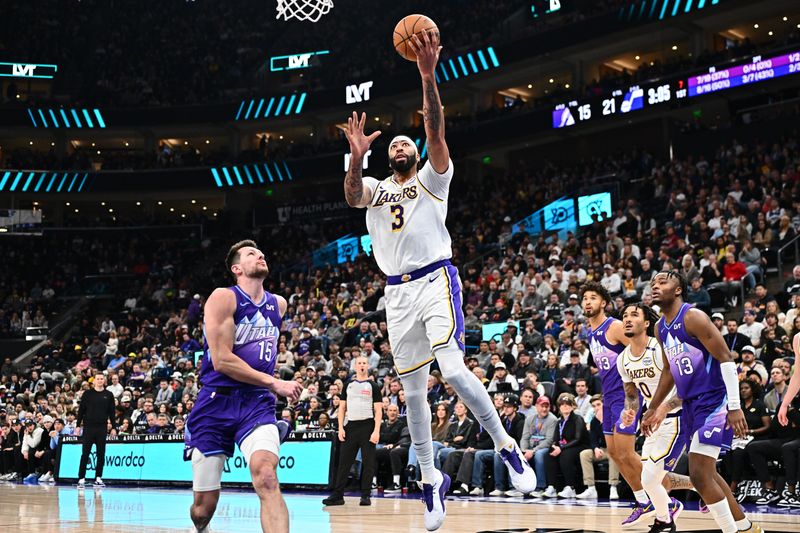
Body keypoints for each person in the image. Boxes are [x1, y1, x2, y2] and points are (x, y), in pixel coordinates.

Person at [341, 28, 534, 531]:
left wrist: (428, 77)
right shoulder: (375, 187)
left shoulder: (432, 178)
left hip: (435, 279)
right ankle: (431, 480)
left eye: (409, 142)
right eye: (396, 144)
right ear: (388, 157)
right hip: (396, 294)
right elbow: (349, 194)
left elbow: (436, 132)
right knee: (412, 394)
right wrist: (356, 155)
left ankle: (505, 445)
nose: (404, 146)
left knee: (449, 370)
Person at [183, 240, 302, 533]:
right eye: (251, 254)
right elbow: (223, 360)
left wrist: (270, 385)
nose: (260, 255)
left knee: (266, 475)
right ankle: (201, 527)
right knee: (202, 510)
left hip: (256, 402)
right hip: (216, 401)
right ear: (236, 268)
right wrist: (275, 382)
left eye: (261, 252)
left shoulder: (279, 304)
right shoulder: (223, 298)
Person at [644, 271, 761, 533]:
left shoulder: (693, 317)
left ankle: (731, 531)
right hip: (690, 405)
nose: (655, 285)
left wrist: (734, 406)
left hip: (714, 401)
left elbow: (727, 359)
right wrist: (653, 407)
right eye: (653, 282)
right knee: (709, 474)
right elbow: (667, 371)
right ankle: (746, 527)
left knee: (698, 475)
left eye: (662, 281)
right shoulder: (659, 327)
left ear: (678, 290)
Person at [617, 303, 694, 532]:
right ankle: (668, 513)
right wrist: (629, 410)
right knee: (649, 477)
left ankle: (666, 513)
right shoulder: (623, 359)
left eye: (634, 315)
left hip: (677, 418)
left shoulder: (660, 349)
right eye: (624, 316)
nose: (628, 319)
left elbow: (686, 388)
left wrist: (663, 408)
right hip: (652, 423)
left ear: (647, 323)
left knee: (650, 478)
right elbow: (631, 395)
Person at [582, 281, 650, 526]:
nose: (588, 302)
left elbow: (642, 347)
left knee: (626, 452)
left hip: (626, 396)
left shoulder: (615, 326)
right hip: (608, 397)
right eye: (585, 298)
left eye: (593, 297)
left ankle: (663, 490)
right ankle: (643, 499)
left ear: (604, 303)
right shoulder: (590, 331)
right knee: (614, 453)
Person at [323, 356, 382, 506]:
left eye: (364, 363)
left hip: (368, 425)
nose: (362, 365)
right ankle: (337, 495)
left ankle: (366, 495)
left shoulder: (373, 386)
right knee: (344, 463)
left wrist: (376, 431)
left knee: (368, 462)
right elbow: (342, 408)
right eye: (359, 363)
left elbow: (379, 411)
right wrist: (341, 427)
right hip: (351, 426)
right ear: (355, 366)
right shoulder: (348, 384)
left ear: (368, 366)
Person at [542, 393, 589, 498]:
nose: (565, 406)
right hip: (566, 447)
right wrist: (555, 447)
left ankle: (570, 487)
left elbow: (578, 439)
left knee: (565, 455)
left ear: (573, 406)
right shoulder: (559, 421)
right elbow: (555, 439)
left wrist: (561, 448)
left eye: (568, 404)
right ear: (559, 407)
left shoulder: (578, 419)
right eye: (562, 404)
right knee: (548, 454)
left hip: (581, 446)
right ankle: (551, 487)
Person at [576, 395, 620, 500]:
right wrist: (595, 448)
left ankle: (613, 487)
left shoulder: (614, 417)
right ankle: (591, 488)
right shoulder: (594, 421)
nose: (596, 408)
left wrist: (604, 422)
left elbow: (616, 438)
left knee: (614, 456)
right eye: (594, 406)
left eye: (598, 405)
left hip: (614, 449)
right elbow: (593, 438)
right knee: (584, 454)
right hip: (602, 449)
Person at [76, 373, 115, 488]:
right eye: (97, 379)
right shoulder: (87, 394)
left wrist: (114, 427)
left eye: (101, 379)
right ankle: (81, 478)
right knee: (85, 454)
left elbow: (112, 412)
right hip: (88, 428)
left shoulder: (109, 395)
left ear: (104, 380)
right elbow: (81, 411)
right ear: (94, 381)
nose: (99, 380)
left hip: (102, 428)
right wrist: (78, 425)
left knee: (101, 454)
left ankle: (98, 478)